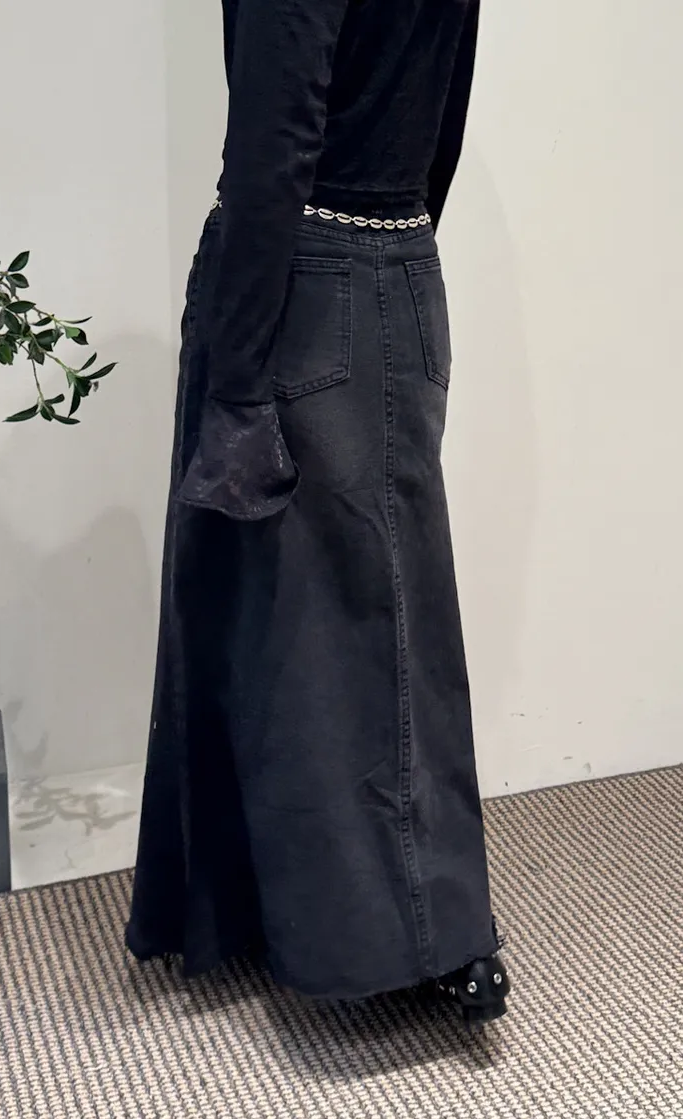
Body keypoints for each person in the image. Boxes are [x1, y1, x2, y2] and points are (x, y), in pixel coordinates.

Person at [126, 0, 511, 1025]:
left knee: (315, 628)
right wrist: (392, 262)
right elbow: (446, 113)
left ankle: (426, 932)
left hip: (297, 277)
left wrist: (240, 376)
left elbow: (273, 134)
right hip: (398, 266)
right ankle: (307, 918)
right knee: (343, 618)